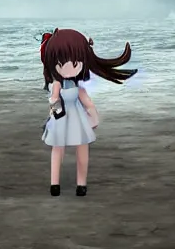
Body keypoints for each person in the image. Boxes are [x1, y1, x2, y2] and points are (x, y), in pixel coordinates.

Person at [39, 28, 136, 196]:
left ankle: (81, 184)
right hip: (62, 118)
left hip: (76, 118)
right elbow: (53, 100)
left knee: (81, 148)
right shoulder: (57, 84)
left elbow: (88, 104)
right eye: (61, 64)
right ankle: (55, 184)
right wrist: (55, 111)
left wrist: (94, 118)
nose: (68, 69)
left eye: (75, 63)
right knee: (58, 149)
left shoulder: (78, 87)